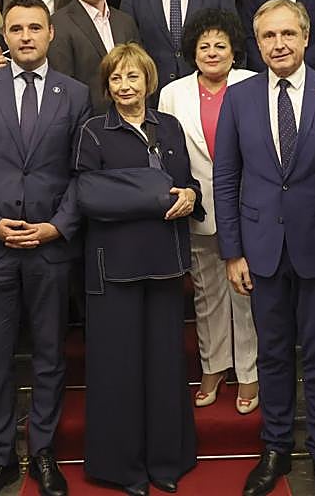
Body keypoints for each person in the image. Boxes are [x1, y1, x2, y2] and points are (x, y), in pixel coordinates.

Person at [213, 0, 315, 496]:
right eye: (268, 37)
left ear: (305, 38)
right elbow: (226, 179)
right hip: (260, 251)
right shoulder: (238, 99)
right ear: (256, 44)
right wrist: (232, 251)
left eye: (287, 35)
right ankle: (276, 449)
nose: (278, 45)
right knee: (274, 354)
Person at [0, 0, 91, 496]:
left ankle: (44, 453)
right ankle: (0, 456)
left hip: (50, 247)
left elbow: (83, 173)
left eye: (35, 27)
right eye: (16, 28)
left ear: (51, 34)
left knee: (50, 354)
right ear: (3, 35)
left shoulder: (74, 94)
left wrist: (57, 226)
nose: (26, 36)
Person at [74, 43, 200, 495]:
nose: (125, 86)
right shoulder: (93, 131)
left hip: (165, 265)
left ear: (149, 81)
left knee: (166, 367)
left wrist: (189, 196)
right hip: (114, 271)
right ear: (106, 86)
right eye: (116, 79)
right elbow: (89, 196)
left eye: (133, 77)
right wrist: (156, 191)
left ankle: (168, 461)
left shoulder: (169, 127)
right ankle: (122, 468)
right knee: (118, 370)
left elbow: (186, 182)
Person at [157, 9, 258, 416]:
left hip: (249, 208)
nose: (212, 52)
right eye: (204, 46)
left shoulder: (252, 85)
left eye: (220, 45)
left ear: (234, 50)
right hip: (197, 209)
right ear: (192, 51)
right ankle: (214, 367)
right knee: (206, 294)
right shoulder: (172, 93)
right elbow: (168, 152)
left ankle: (250, 372)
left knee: (247, 293)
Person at [49, 0, 140, 113]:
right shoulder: (58, 24)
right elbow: (63, 83)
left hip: (128, 116)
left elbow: (139, 71)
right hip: (86, 121)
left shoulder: (125, 21)